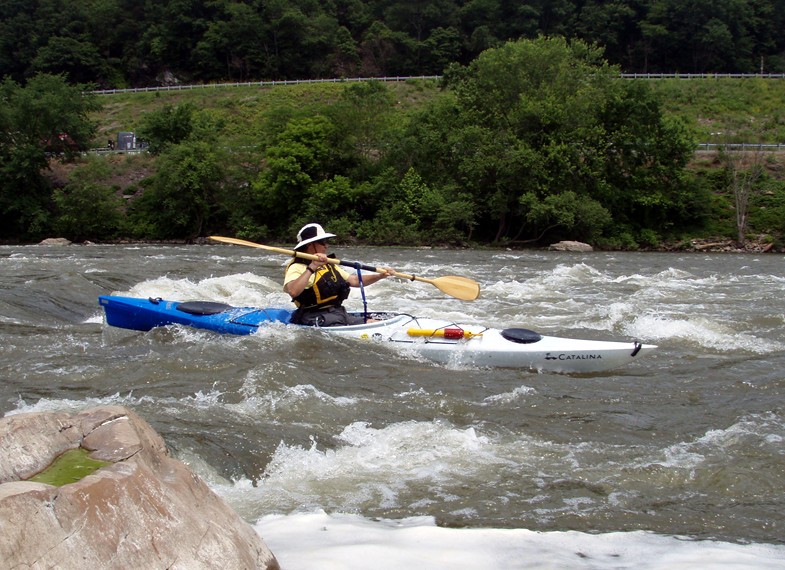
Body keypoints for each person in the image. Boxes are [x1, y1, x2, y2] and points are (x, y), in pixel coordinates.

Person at [283, 223, 395, 326]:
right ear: (309, 245)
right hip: (314, 316)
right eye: (323, 242)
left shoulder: (328, 264)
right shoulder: (296, 267)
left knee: (373, 322)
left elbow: (354, 280)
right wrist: (312, 267)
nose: (326, 246)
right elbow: (293, 291)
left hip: (337, 312)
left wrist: (380, 275)